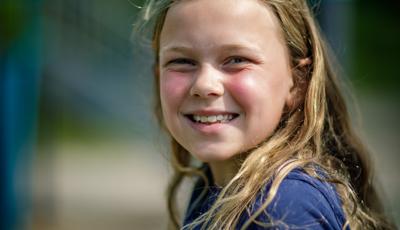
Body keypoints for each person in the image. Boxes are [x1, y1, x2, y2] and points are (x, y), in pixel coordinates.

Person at [135, 0, 395, 229]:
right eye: (182, 62)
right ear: (158, 74)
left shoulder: (283, 207)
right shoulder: (212, 188)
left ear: (297, 81)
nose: (204, 85)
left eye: (236, 59)